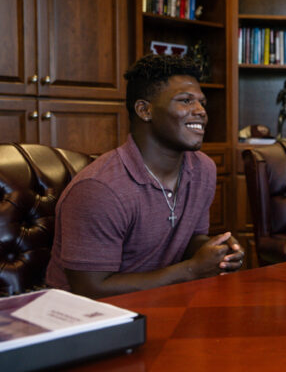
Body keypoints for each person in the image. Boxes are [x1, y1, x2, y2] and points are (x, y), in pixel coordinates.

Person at [45, 54, 244, 298]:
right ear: (144, 110)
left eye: (202, 102)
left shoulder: (203, 169)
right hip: (85, 315)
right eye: (185, 101)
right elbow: (91, 290)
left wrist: (216, 250)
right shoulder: (98, 189)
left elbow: (191, 240)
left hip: (164, 300)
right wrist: (192, 270)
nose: (201, 111)